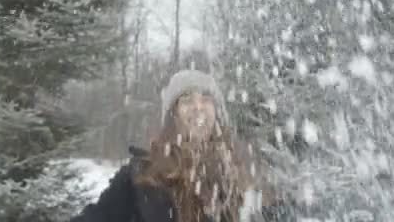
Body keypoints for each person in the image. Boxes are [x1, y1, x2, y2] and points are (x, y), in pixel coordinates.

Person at [70, 70, 280, 222]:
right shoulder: (140, 177)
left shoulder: (240, 177)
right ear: (173, 116)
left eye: (206, 99)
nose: (198, 107)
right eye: (187, 100)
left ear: (217, 114)